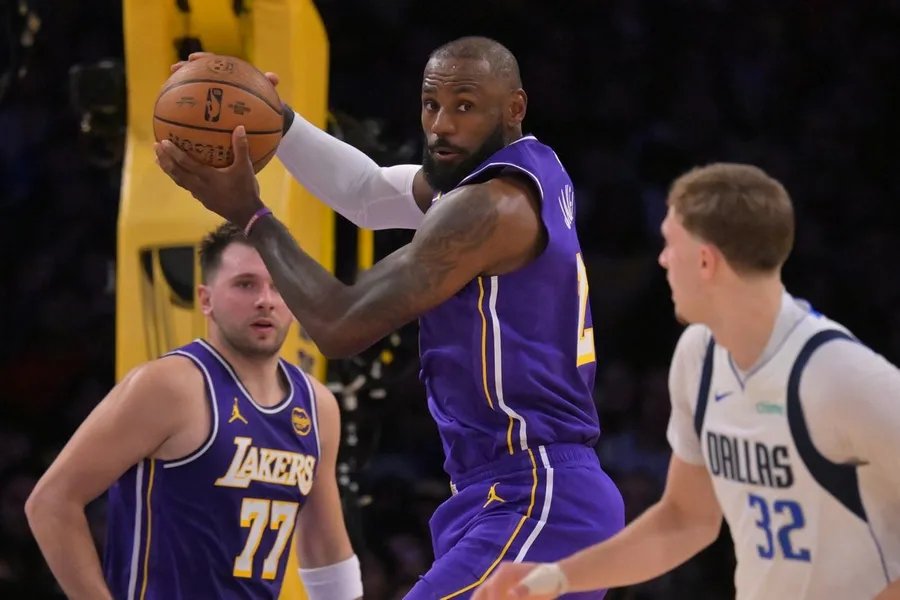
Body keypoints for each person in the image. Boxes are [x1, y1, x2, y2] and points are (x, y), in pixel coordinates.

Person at [155, 36, 624, 598]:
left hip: (537, 498)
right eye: (431, 104)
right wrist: (277, 120)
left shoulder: (490, 207)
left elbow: (339, 324)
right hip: (512, 496)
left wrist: (250, 215)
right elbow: (368, 194)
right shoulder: (527, 170)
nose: (442, 125)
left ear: (514, 107)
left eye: (465, 106)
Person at [472, 163, 900, 600]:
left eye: (670, 243)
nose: (661, 260)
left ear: (705, 260)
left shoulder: (843, 375)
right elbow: (685, 520)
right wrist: (556, 577)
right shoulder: (700, 356)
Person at [25, 223, 363, 600]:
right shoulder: (170, 385)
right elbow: (51, 502)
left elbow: (325, 549)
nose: (265, 300)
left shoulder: (317, 406)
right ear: (206, 299)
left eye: (278, 285)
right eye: (245, 284)